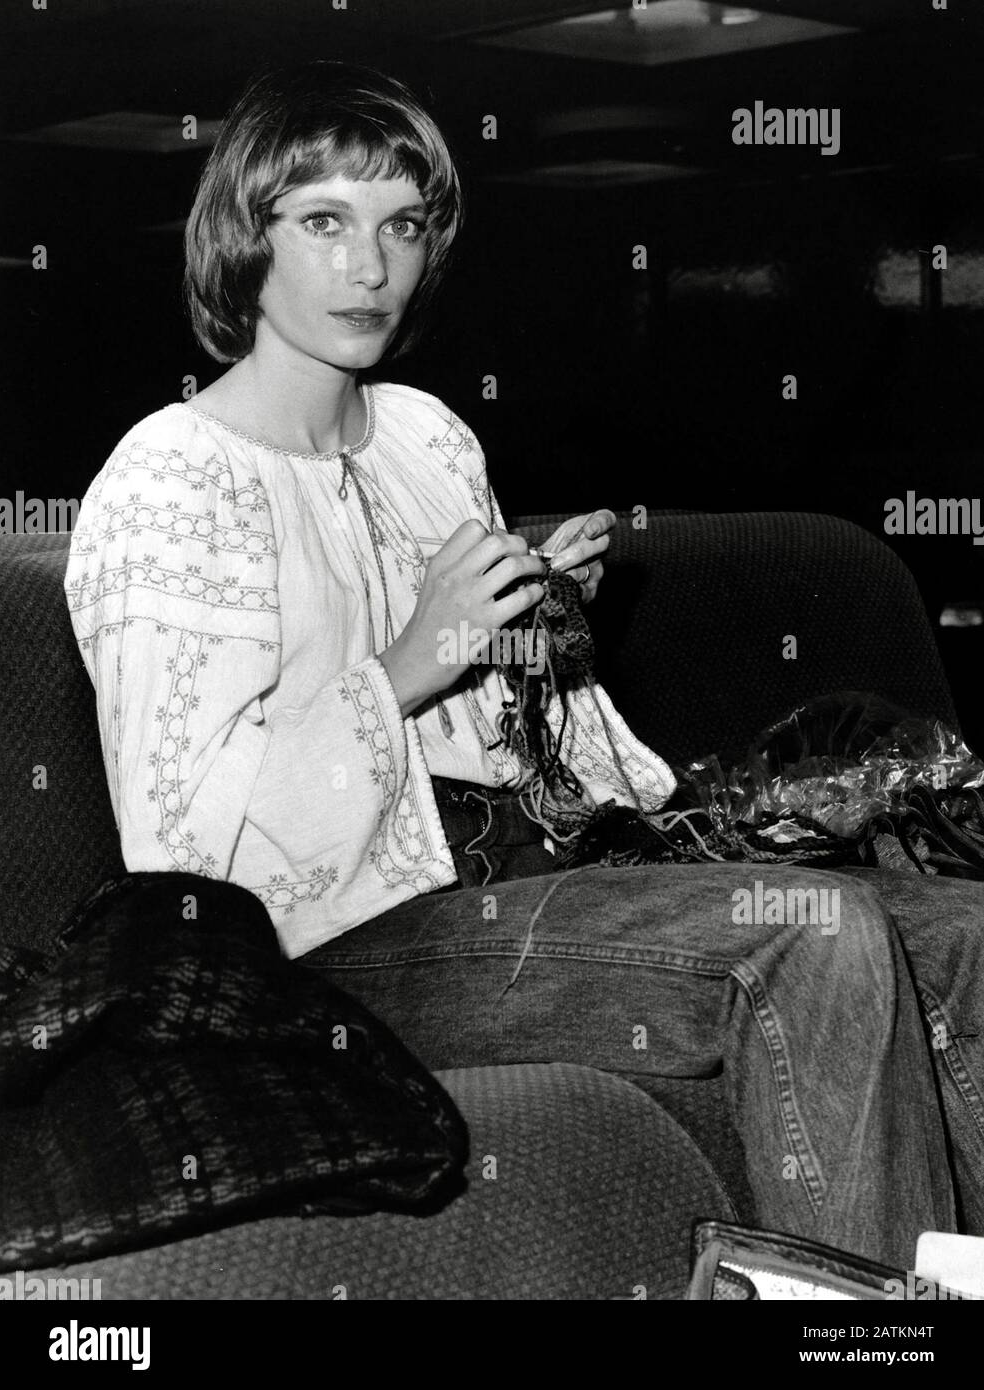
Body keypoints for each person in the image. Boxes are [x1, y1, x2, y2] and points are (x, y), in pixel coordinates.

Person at [65, 59, 984, 1272]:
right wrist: (405, 663)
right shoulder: (170, 479)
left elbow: (494, 723)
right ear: (248, 238)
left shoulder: (428, 436)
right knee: (807, 931)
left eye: (400, 225)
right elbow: (187, 861)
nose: (368, 266)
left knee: (964, 930)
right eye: (324, 222)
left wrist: (533, 634)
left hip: (519, 876)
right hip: (331, 961)